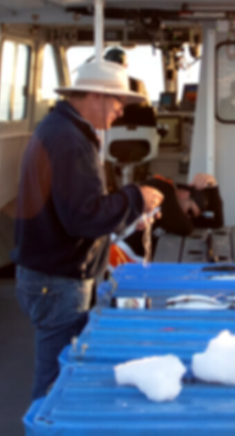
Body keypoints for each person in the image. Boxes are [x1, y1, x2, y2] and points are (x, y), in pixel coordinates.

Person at [12, 57, 164, 400]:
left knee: (59, 369)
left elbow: (71, 212)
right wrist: (136, 198)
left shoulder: (59, 130)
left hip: (49, 278)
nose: (121, 111)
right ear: (96, 96)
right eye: (119, 101)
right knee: (58, 379)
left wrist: (128, 215)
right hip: (58, 283)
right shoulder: (69, 141)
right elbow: (83, 217)